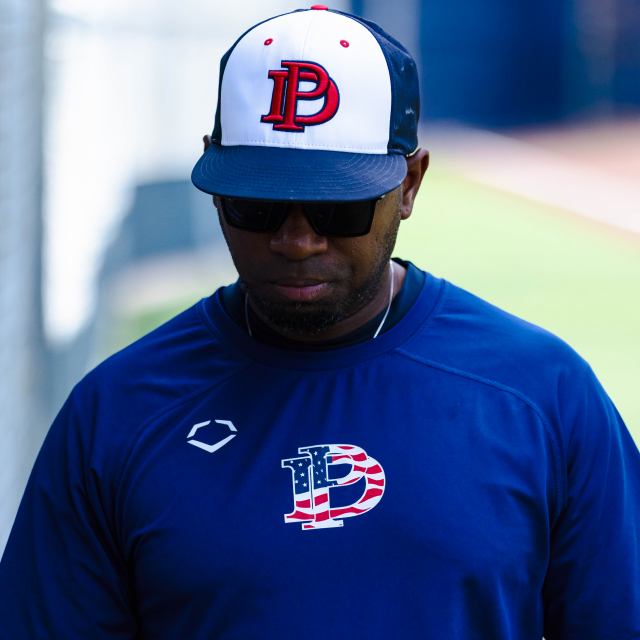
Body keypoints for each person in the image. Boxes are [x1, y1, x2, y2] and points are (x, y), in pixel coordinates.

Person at [1, 6, 639, 639]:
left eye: (337, 206)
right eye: (258, 203)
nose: (297, 239)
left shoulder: (542, 395)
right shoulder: (116, 414)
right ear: (216, 180)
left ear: (409, 184)